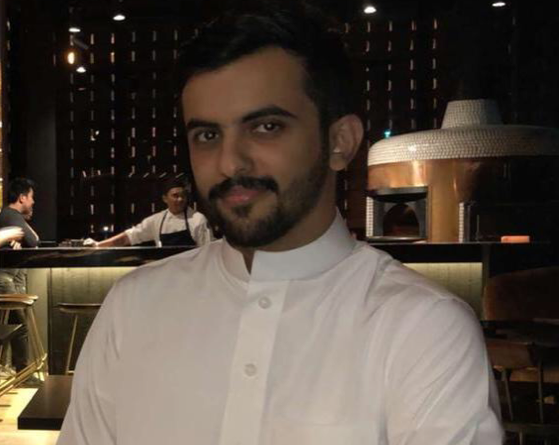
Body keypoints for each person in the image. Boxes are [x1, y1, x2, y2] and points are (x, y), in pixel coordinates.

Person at [58, 4, 503, 445]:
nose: (230, 162)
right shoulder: (134, 306)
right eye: (208, 135)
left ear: (340, 142)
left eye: (266, 127)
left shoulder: (421, 326)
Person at [0, 178, 39, 375]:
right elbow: (34, 241)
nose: (33, 202)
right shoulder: (10, 215)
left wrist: (21, 236)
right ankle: (23, 373)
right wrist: (24, 235)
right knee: (19, 325)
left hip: (0, 276)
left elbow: (30, 240)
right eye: (31, 197)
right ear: (22, 198)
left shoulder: (10, 216)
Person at [90, 175, 213, 247]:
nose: (180, 199)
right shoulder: (156, 220)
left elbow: (208, 251)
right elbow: (128, 237)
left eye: (183, 196)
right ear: (165, 198)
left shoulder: (198, 219)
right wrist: (98, 245)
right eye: (175, 196)